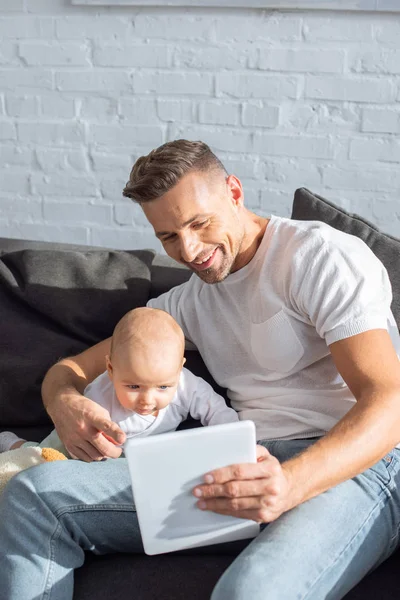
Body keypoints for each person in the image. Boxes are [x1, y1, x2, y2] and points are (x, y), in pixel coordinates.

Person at [1, 139, 400, 600]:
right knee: (33, 496)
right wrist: (64, 401)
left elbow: (389, 403)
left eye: (198, 222)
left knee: (249, 594)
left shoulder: (318, 256)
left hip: (363, 464)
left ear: (234, 191)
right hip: (247, 461)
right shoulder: (187, 303)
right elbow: (70, 368)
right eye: (168, 236)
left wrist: (288, 485)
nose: (188, 249)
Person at [0, 307, 238, 458]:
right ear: (111, 370)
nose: (147, 399)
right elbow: (80, 436)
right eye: (133, 386)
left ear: (179, 369)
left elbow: (216, 411)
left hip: (137, 461)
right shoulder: (99, 398)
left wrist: (234, 443)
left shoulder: (187, 385)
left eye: (163, 387)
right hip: (79, 450)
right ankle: (13, 445)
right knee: (41, 458)